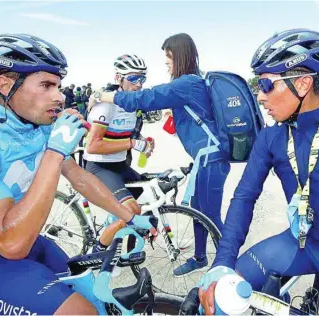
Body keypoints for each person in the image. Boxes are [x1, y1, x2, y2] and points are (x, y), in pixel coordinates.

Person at [0, 33, 157, 315]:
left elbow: (80, 177)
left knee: (94, 298)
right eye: (46, 85)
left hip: (31, 242)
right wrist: (54, 152)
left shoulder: (37, 127)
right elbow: (10, 244)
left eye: (59, 86)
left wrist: (129, 216)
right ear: (6, 85)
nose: (59, 96)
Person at [197, 28, 319, 315]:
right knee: (217, 300)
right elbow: (244, 197)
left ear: (303, 84)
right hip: (301, 243)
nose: (260, 96)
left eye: (266, 85)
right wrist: (222, 262)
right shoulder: (271, 137)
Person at [90, 33, 231, 276]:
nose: (165, 62)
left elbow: (146, 98)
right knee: (199, 209)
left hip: (210, 159)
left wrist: (102, 95)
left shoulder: (186, 83)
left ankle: (228, 265)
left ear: (178, 55)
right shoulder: (193, 81)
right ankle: (199, 257)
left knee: (210, 215)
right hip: (205, 158)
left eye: (168, 57)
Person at [84, 54, 154, 246]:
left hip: (120, 164)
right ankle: (100, 251)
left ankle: (124, 247)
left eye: (142, 79)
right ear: (118, 79)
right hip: (99, 166)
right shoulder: (106, 106)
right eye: (133, 78)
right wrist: (132, 144)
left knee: (148, 197)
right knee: (131, 209)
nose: (139, 84)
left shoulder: (132, 105)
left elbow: (124, 136)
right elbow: (93, 145)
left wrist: (143, 143)